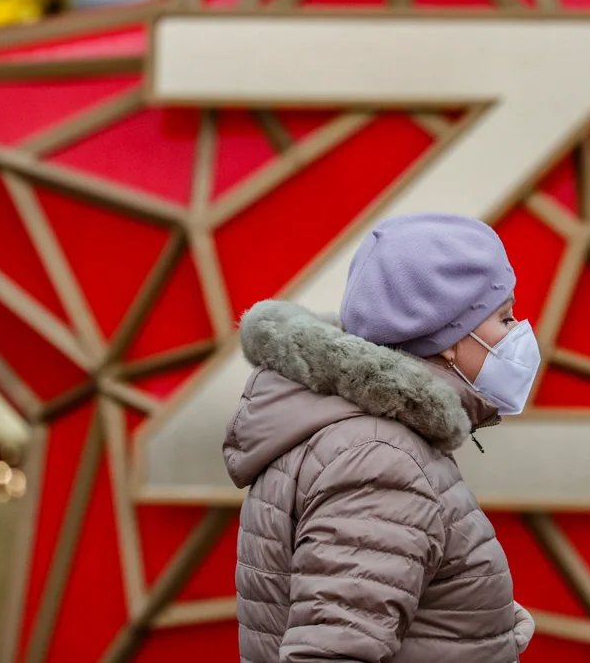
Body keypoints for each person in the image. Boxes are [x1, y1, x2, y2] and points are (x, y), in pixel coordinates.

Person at [224, 213, 539, 662]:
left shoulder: (362, 439)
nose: (518, 333)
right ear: (447, 335)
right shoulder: (379, 460)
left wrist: (474, 631)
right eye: (504, 316)